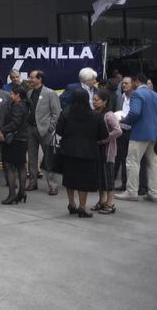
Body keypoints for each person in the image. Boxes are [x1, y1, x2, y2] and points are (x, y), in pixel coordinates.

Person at [56, 88, 108, 218]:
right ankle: (82, 207)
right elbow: (104, 135)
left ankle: (71, 203)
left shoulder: (66, 113)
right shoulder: (96, 116)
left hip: (68, 151)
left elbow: (59, 130)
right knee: (83, 182)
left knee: (70, 179)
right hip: (88, 152)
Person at [115, 73, 157, 202]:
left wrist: (125, 120)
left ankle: (131, 192)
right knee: (154, 163)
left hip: (139, 133)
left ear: (136, 82)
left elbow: (135, 112)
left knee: (132, 162)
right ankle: (154, 192)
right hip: (154, 133)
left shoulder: (137, 94)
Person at [26, 69, 62, 195]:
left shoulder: (50, 93)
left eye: (32, 77)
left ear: (39, 79)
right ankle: (32, 182)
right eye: (30, 77)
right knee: (32, 158)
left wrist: (50, 128)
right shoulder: (29, 92)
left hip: (45, 130)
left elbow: (56, 112)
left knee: (48, 159)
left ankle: (53, 185)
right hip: (30, 129)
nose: (30, 79)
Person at [0, 84, 29, 204]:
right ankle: (21, 192)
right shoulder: (25, 105)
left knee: (9, 166)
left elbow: (15, 123)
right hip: (22, 139)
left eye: (12, 94)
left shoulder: (17, 107)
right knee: (21, 166)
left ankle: (12, 194)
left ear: (18, 96)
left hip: (14, 141)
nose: (10, 95)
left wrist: (3, 130)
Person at [92, 87, 122, 215]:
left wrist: (105, 139)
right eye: (93, 100)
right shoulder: (95, 112)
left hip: (107, 151)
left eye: (97, 100)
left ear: (105, 101)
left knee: (108, 178)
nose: (94, 102)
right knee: (100, 178)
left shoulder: (109, 115)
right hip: (97, 150)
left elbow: (118, 130)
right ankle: (101, 201)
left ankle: (110, 204)